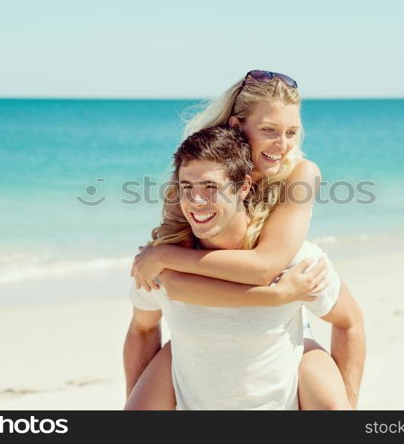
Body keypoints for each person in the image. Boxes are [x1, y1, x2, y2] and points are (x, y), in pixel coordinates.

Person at [130, 70, 362, 408]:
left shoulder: (299, 174)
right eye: (269, 130)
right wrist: (162, 261)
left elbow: (265, 266)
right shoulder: (199, 169)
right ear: (238, 125)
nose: (283, 145)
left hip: (276, 315)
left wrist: (164, 257)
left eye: (291, 133)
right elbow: (173, 286)